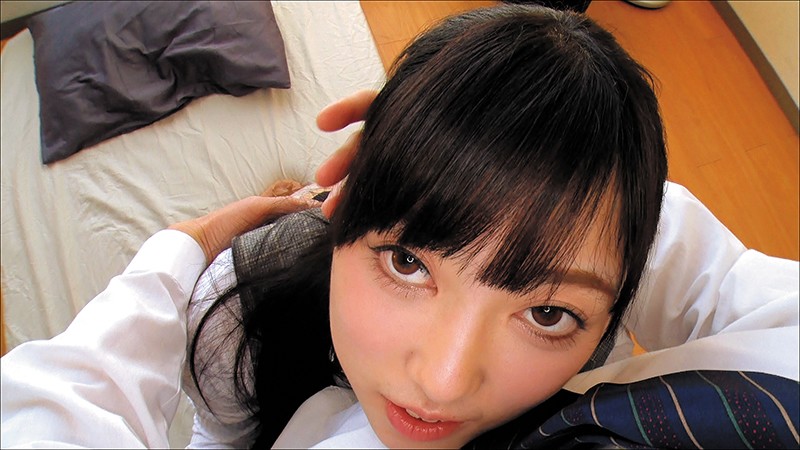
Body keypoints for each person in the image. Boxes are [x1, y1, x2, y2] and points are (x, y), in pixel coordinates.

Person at [1, 4, 796, 450]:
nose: (444, 382)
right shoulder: (236, 316)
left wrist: (178, 247)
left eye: (549, 312)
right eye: (408, 263)